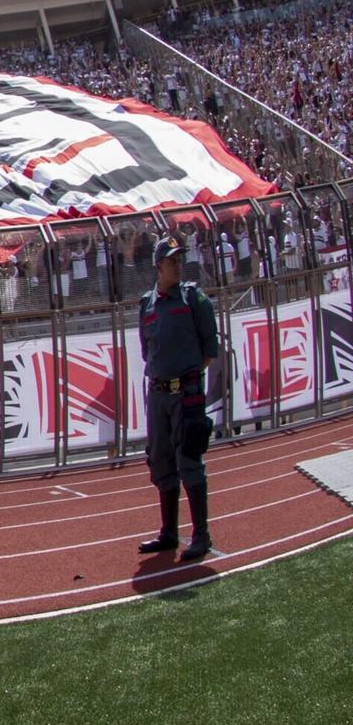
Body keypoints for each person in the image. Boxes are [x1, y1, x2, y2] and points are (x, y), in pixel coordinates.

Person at [136, 238, 221, 562]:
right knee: (160, 461)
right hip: (157, 395)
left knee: (189, 460)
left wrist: (186, 379)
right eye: (171, 260)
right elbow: (148, 351)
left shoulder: (193, 298)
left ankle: (201, 534)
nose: (177, 264)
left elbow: (208, 350)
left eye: (179, 259)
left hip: (186, 393)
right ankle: (168, 532)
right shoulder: (146, 304)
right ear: (158, 265)